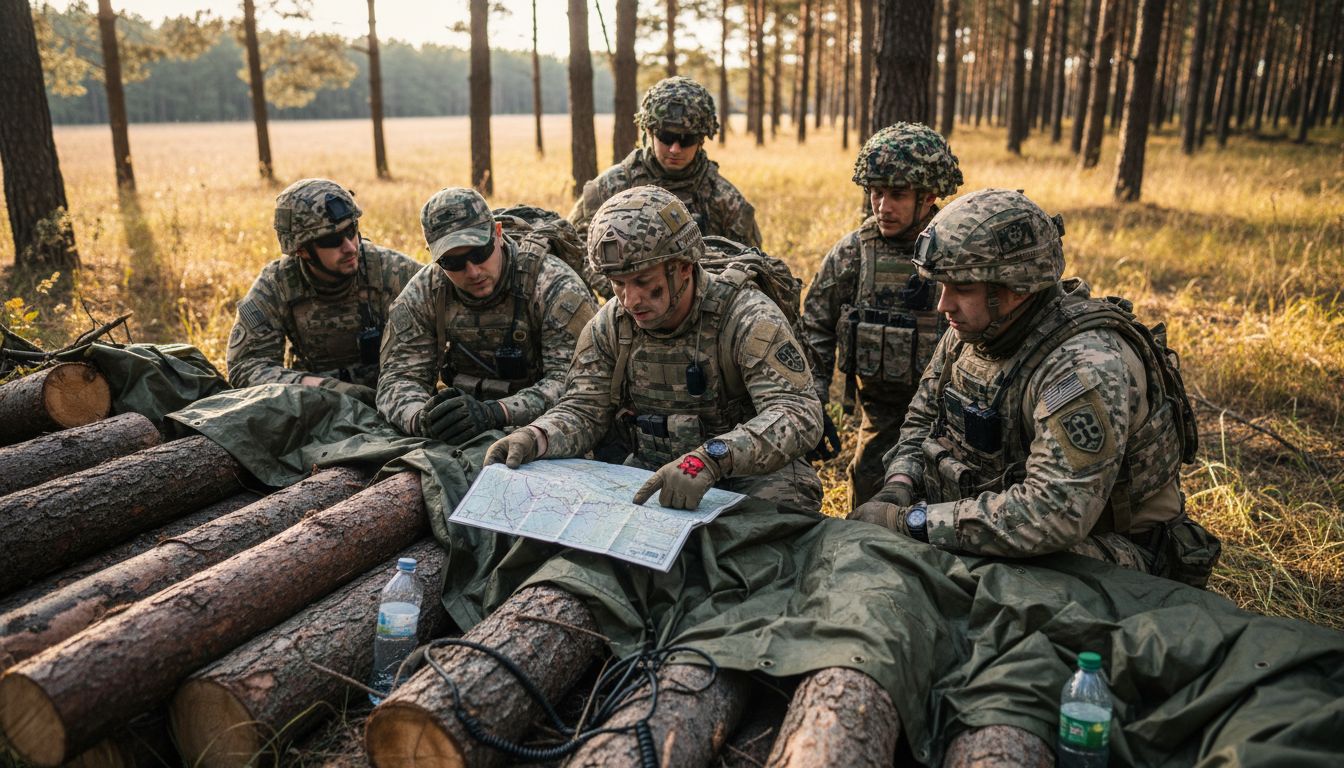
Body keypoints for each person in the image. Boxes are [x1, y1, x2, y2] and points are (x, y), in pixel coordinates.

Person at [851, 188, 1198, 574]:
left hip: (1106, 550)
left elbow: (1054, 512)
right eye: (942, 286)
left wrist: (912, 523)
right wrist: (900, 483)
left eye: (962, 288)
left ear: (1016, 290)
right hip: (1000, 522)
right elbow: (922, 417)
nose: (943, 305)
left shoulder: (1084, 367)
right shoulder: (975, 330)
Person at [486, 185, 823, 514]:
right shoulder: (611, 326)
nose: (630, 301)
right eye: (618, 284)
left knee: (777, 528)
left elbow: (798, 413)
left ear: (684, 268)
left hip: (747, 473)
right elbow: (585, 410)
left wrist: (711, 459)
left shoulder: (746, 317)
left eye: (644, 282)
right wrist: (536, 436)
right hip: (651, 469)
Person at [801, 123, 964, 509]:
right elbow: (815, 327)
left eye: (898, 195)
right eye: (876, 192)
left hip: (953, 417)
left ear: (928, 196)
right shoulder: (854, 253)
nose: (883, 206)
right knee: (871, 495)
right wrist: (812, 401)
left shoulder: (961, 250)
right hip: (884, 414)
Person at [377, 187, 598, 445]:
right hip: (465, 426)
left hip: (542, 429)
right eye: (453, 262)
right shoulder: (426, 291)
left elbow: (575, 385)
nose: (472, 271)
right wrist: (423, 418)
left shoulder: (552, 285)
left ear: (498, 234)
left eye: (479, 253)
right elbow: (396, 379)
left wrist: (496, 412)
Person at [227, 178, 420, 404]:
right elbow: (246, 366)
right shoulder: (277, 285)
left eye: (351, 230)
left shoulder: (395, 272)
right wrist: (327, 388)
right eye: (331, 240)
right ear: (301, 250)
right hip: (316, 406)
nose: (349, 247)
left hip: (396, 400)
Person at [568, 76, 761, 293]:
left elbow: (750, 265)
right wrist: (623, 294)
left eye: (687, 140)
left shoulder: (725, 199)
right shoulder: (610, 188)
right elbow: (574, 249)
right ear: (649, 131)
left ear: (701, 139)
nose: (675, 149)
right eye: (667, 137)